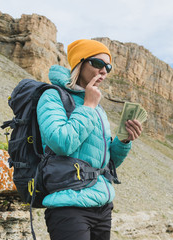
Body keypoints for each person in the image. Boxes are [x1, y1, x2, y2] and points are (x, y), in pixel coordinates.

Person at [36, 39, 142, 240]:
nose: (104, 71)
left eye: (108, 67)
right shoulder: (52, 96)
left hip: (102, 206)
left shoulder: (95, 106)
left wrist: (124, 140)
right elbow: (61, 143)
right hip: (69, 207)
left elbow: (107, 163)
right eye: (98, 63)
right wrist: (88, 106)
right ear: (80, 63)